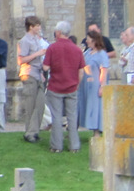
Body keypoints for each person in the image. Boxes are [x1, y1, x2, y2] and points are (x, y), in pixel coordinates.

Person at [44, 21, 88, 153]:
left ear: (58, 33)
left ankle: (57, 146)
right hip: (72, 87)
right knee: (72, 117)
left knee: (56, 117)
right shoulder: (77, 49)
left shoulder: (52, 48)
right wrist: (77, 84)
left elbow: (46, 67)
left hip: (56, 86)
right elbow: (81, 71)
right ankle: (74, 146)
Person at [17, 16, 49, 143]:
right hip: (29, 74)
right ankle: (30, 133)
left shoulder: (36, 39)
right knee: (31, 105)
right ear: (31, 27)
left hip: (38, 74)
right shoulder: (25, 41)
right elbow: (21, 60)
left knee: (40, 103)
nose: (39, 28)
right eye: (37, 26)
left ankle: (33, 130)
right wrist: (37, 54)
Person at [77, 30, 110, 135]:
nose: (86, 41)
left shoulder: (102, 54)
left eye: (88, 39)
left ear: (94, 40)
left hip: (96, 85)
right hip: (86, 84)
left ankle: (97, 131)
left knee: (96, 107)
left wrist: (102, 86)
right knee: (85, 106)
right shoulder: (87, 53)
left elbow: (104, 70)